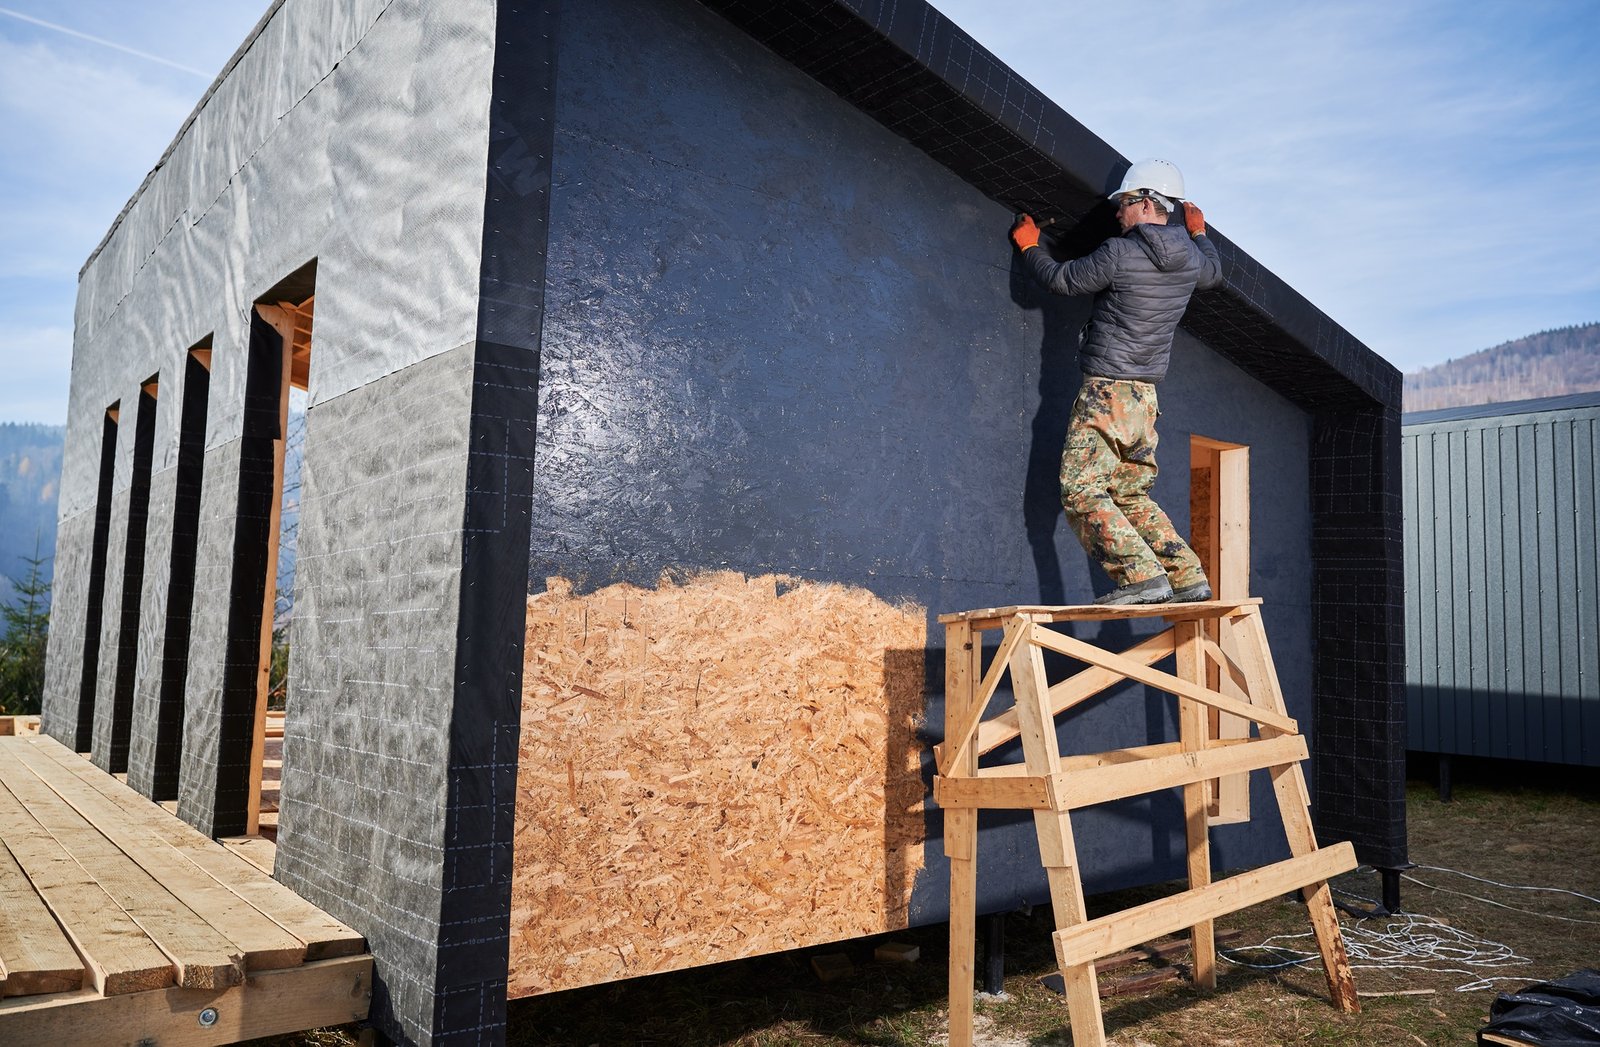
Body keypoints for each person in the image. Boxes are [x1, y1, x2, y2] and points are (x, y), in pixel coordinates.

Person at [1010, 158, 1224, 605]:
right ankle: (1187, 577)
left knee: (1081, 488)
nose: (1117, 212)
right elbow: (1215, 273)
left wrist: (1031, 246)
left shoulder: (1120, 253)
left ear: (1147, 203)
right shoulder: (1192, 262)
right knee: (1129, 491)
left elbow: (1063, 280)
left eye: (1125, 203)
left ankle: (1141, 577)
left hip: (1107, 392)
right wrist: (1199, 232)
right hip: (1145, 398)